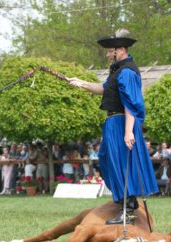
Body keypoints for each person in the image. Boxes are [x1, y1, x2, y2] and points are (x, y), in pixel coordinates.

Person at [69, 29, 158, 225]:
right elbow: (102, 89)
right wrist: (81, 83)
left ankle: (128, 208)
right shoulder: (117, 71)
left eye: (110, 51)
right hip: (112, 122)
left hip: (121, 122)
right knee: (107, 160)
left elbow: (130, 103)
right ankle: (123, 203)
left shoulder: (127, 71)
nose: (108, 54)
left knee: (122, 163)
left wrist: (128, 132)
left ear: (120, 50)